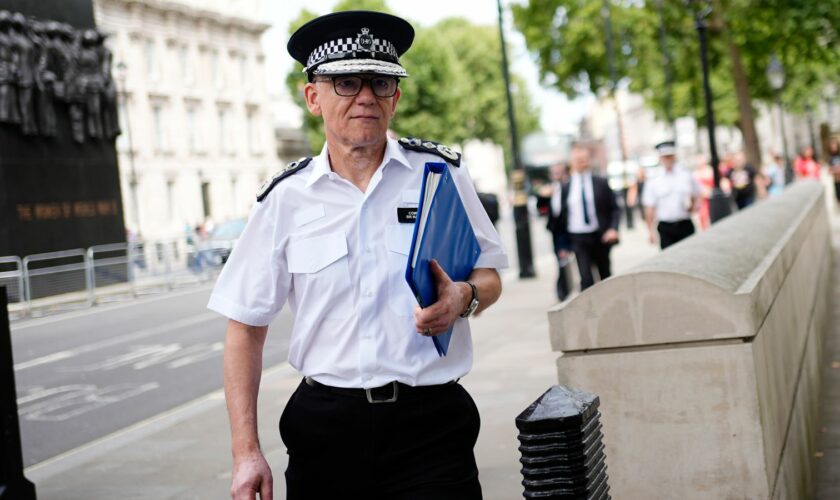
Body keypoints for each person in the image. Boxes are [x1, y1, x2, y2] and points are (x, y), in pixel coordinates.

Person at [207, 11, 507, 500]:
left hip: (430, 427)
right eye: (345, 82)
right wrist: (246, 452)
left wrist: (464, 298)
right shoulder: (284, 199)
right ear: (312, 97)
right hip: (325, 432)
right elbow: (244, 328)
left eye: (380, 82)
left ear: (396, 97)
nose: (366, 95)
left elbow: (489, 275)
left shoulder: (442, 174)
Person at [550, 145, 620, 291]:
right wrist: (562, 245)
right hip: (578, 237)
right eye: (578, 160)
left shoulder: (600, 182)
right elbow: (559, 218)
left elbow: (615, 208)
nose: (582, 163)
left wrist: (613, 228)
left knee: (605, 276)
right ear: (572, 162)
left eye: (584, 159)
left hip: (600, 236)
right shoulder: (565, 187)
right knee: (585, 278)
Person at [642, 141, 700, 249]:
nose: (668, 159)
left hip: (685, 223)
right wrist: (650, 231)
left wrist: (694, 206)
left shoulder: (686, 175)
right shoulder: (654, 180)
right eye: (665, 157)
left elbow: (697, 194)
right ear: (660, 158)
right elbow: (649, 208)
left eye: (670, 156)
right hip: (666, 227)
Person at [545, 162, 571, 300]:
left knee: (571, 263)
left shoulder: (570, 186)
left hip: (570, 231)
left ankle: (565, 290)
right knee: (561, 263)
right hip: (557, 233)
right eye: (554, 173)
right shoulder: (551, 190)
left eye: (559, 172)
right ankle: (563, 292)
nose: (556, 175)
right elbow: (542, 208)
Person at [827, 138, 840, 203]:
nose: (833, 147)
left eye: (834, 145)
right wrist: (835, 170)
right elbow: (829, 171)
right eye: (832, 145)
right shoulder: (830, 158)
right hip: (836, 181)